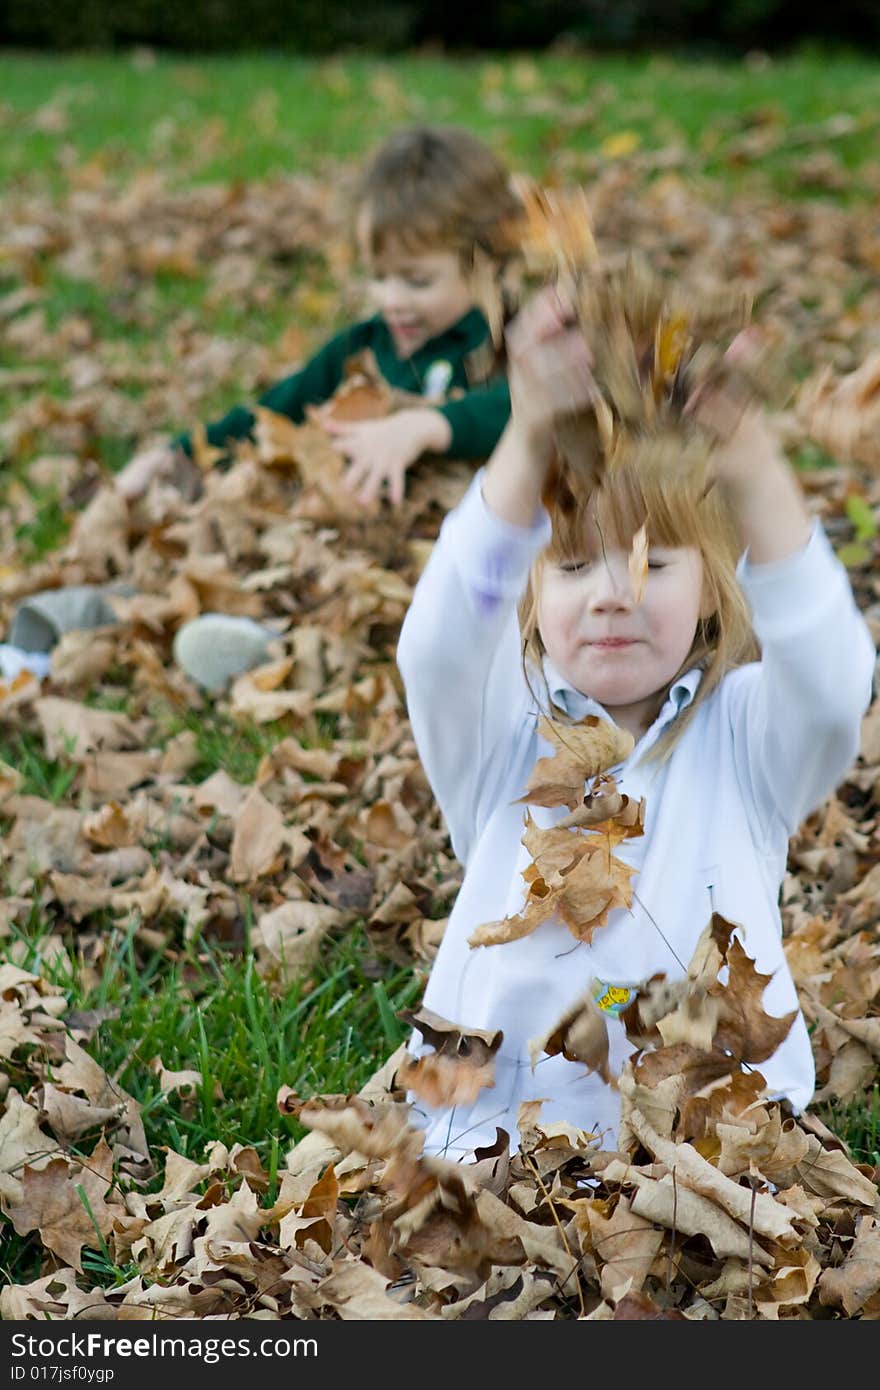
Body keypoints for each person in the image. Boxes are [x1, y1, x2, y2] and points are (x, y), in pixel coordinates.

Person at [395, 289, 876, 1161]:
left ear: (713, 591)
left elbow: (834, 684)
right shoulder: (503, 735)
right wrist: (527, 436)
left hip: (716, 1147)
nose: (614, 591)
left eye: (655, 562)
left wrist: (753, 468)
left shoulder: (746, 742)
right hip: (490, 1141)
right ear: (533, 593)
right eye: (575, 564)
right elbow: (438, 644)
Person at [114, 123, 519, 510]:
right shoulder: (360, 347)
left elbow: (526, 407)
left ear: (486, 265)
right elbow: (274, 411)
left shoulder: (497, 338)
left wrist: (430, 425)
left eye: (417, 281)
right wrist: (176, 456)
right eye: (379, 276)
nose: (392, 299)